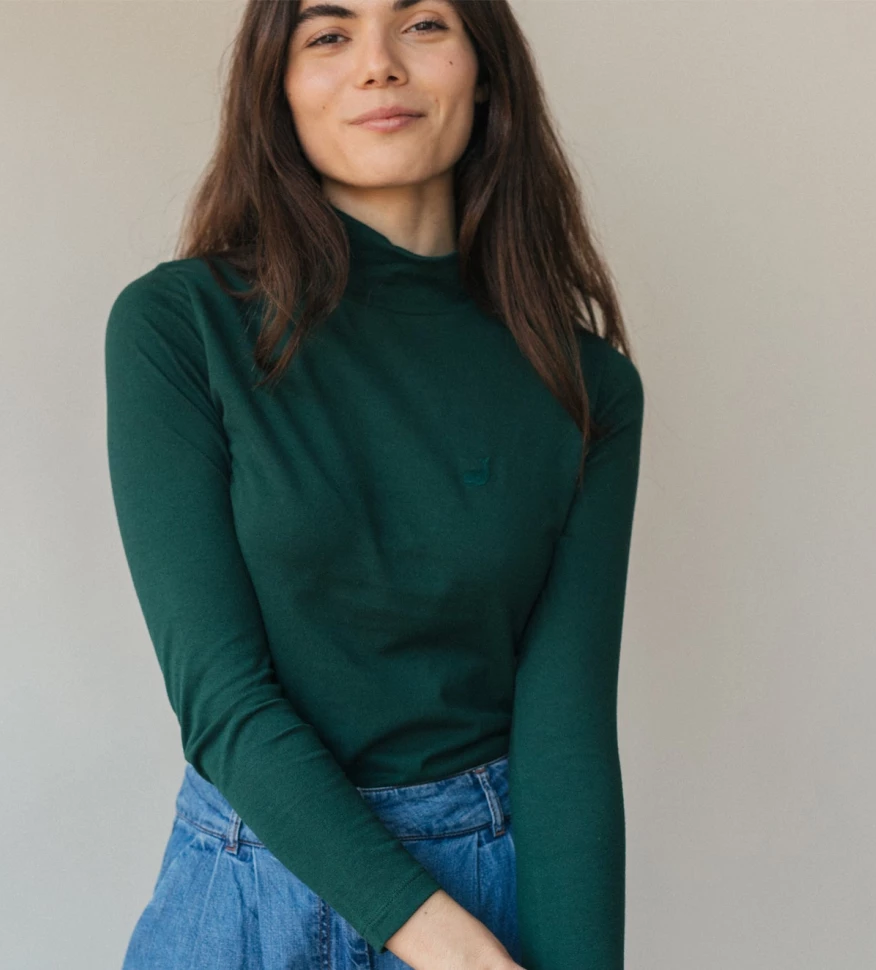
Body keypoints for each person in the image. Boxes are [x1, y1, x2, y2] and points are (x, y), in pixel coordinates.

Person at [105, 1, 644, 967]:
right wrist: (449, 948)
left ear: (486, 69)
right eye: (328, 34)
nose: (378, 64)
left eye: (423, 24)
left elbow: (565, 736)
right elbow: (223, 702)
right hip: (251, 891)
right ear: (277, 88)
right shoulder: (181, 328)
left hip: (492, 872)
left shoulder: (585, 386)